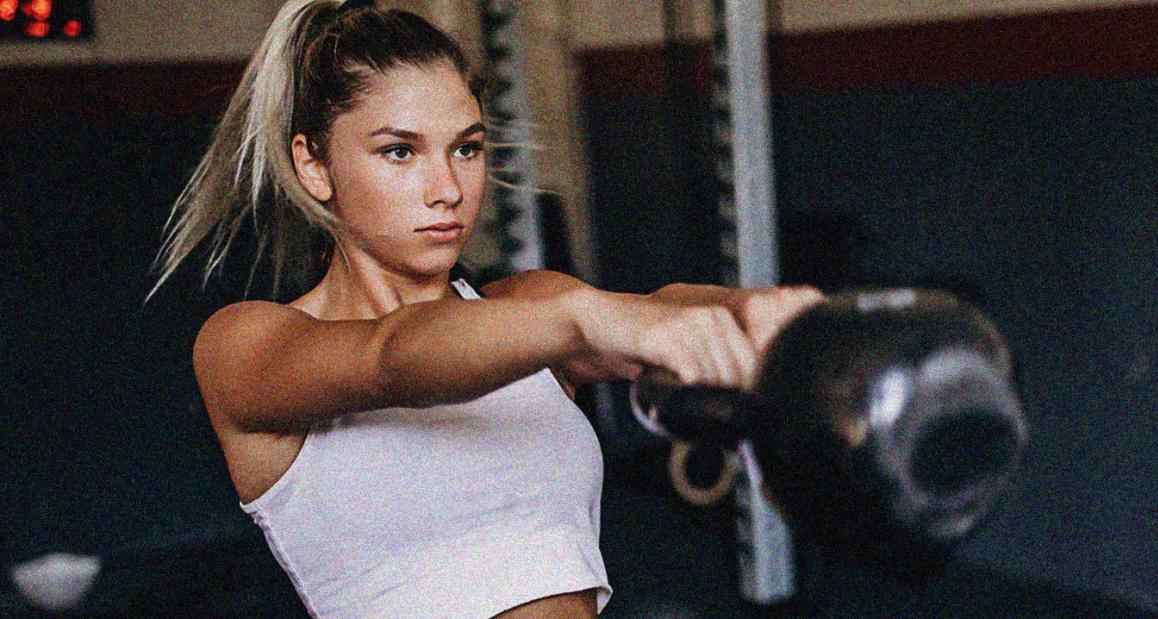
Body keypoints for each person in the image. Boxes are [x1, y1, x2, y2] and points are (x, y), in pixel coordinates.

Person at [149, 0, 824, 616]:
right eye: (399, 151)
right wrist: (586, 319)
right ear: (314, 165)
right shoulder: (248, 348)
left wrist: (774, 316)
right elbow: (392, 359)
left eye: (466, 148)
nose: (447, 188)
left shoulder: (527, 311)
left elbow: (657, 307)